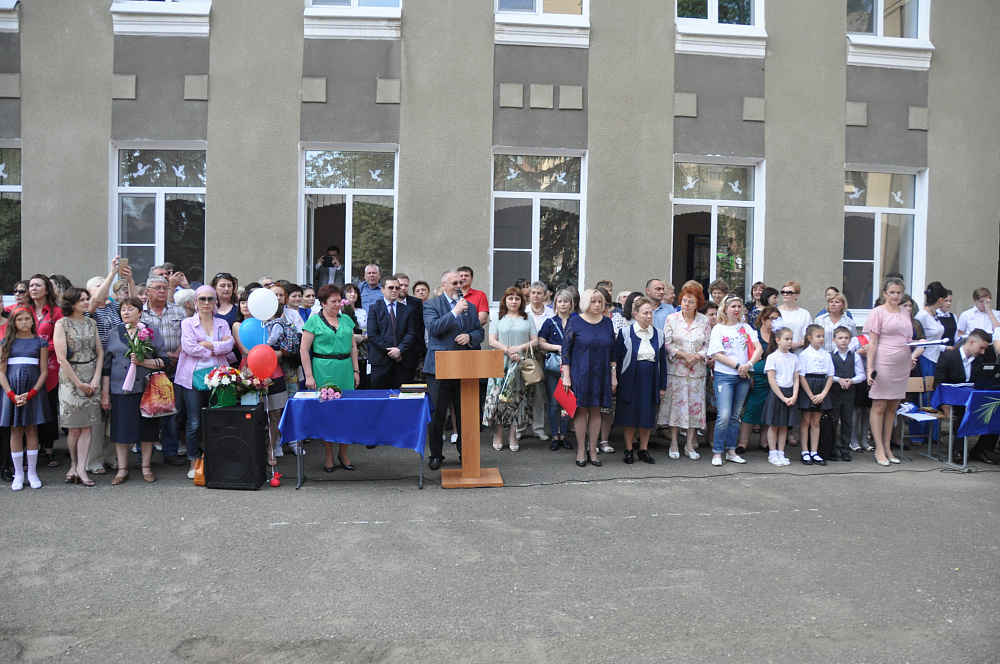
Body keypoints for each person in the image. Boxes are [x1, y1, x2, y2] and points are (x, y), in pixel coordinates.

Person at [422, 271, 485, 470]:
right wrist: (454, 312)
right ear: (444, 285)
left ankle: (465, 453)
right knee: (438, 414)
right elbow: (434, 329)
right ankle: (436, 454)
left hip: (464, 366)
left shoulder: (470, 307)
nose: (459, 286)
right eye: (454, 283)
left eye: (460, 282)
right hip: (439, 367)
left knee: (464, 412)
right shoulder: (431, 305)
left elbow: (479, 331)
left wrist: (470, 337)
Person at [101, 297, 168, 485]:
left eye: (130, 309)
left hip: (145, 389)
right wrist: (105, 394)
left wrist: (143, 362)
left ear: (140, 312)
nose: (126, 312)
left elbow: (164, 360)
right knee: (121, 431)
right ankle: (122, 469)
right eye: (123, 309)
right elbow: (107, 366)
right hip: (120, 389)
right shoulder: (114, 333)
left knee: (147, 430)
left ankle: (146, 467)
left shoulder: (151, 332)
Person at [175, 286, 235, 479]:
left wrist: (206, 344)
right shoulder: (187, 323)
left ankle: (216, 458)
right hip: (193, 377)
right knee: (194, 422)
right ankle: (194, 461)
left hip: (218, 377)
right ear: (195, 302)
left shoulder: (222, 323)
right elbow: (189, 347)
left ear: (215, 301)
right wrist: (216, 348)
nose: (206, 302)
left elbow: (229, 345)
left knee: (217, 419)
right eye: (202, 299)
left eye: (210, 298)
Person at [301, 284, 360, 472]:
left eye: (339, 301)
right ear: (323, 303)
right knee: (327, 414)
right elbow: (304, 349)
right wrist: (309, 376)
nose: (337, 305)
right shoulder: (313, 322)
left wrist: (356, 371)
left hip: (345, 369)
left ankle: (343, 453)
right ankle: (328, 454)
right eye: (333, 301)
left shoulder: (347, 320)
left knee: (346, 413)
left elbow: (353, 346)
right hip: (323, 370)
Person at [52, 288, 104, 487]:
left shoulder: (92, 323)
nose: (86, 302)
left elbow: (100, 352)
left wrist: (96, 378)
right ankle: (74, 465)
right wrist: (78, 383)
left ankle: (82, 468)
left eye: (86, 299)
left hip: (91, 375)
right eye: (81, 299)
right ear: (71, 303)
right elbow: (61, 358)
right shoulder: (61, 324)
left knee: (88, 427)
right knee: (74, 428)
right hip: (70, 379)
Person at [561, 288, 615, 468]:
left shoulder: (607, 323)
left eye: (600, 301)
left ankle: (593, 451)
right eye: (593, 301)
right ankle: (581, 450)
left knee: (596, 411)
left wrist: (613, 375)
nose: (598, 305)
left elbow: (613, 351)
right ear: (586, 302)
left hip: (601, 373)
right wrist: (566, 377)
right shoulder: (575, 322)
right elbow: (566, 351)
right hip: (580, 373)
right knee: (581, 411)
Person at [706, 294, 761, 466]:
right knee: (723, 415)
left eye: (739, 306)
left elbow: (759, 348)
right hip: (725, 376)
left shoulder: (746, 328)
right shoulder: (719, 329)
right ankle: (717, 452)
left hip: (743, 377)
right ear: (725, 309)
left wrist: (748, 365)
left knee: (735, 415)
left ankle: (731, 450)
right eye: (733, 306)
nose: (736, 310)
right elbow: (717, 354)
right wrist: (738, 366)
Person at [0, 307, 52, 489]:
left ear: (32, 321)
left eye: (27, 319)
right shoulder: (6, 342)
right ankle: (18, 474)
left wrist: (32, 393)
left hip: (32, 392)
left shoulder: (40, 343)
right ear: (13, 323)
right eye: (19, 319)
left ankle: (32, 472)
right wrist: (11, 394)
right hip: (12, 392)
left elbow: (44, 372)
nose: (24, 322)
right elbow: (1, 372)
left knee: (31, 430)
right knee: (15, 430)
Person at [613, 296, 667, 464]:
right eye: (645, 313)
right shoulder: (625, 333)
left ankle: (643, 450)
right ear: (636, 314)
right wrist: (615, 379)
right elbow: (616, 358)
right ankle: (629, 449)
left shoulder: (659, 334)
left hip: (650, 380)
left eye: (650, 313)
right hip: (630, 378)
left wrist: (662, 386)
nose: (649, 316)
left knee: (646, 415)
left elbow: (663, 363)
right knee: (629, 416)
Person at [659, 285, 711, 460]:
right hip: (677, 371)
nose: (686, 304)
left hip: (697, 372)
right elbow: (666, 344)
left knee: (694, 408)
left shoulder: (704, 321)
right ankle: (674, 443)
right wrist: (684, 355)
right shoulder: (672, 318)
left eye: (691, 302)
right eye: (684, 300)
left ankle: (689, 444)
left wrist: (696, 356)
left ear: (698, 304)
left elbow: (708, 345)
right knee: (676, 407)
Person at [863, 277, 912, 466]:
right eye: (892, 292)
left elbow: (907, 338)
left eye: (899, 292)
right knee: (880, 405)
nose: (895, 296)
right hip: (883, 361)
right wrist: (870, 368)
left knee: (893, 407)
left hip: (902, 363)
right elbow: (873, 342)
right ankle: (879, 448)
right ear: (884, 293)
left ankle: (887, 446)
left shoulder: (905, 312)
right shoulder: (877, 312)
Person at [934, 329, 999, 465]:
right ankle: (958, 450)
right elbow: (939, 383)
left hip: (972, 399)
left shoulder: (979, 360)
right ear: (971, 342)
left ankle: (980, 449)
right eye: (981, 348)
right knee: (964, 411)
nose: (983, 352)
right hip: (951, 401)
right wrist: (944, 405)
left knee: (995, 410)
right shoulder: (948, 357)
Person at [484, 287, 537, 452]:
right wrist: (508, 350)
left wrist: (518, 349)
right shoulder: (498, 317)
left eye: (517, 298)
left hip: (519, 363)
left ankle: (513, 434)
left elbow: (535, 341)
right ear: (505, 300)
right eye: (510, 298)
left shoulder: (527, 318)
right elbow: (492, 340)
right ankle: (498, 433)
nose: (513, 301)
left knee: (516, 399)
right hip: (500, 363)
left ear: (522, 301)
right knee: (499, 400)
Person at [141, 276, 187, 465]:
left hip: (175, 369)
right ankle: (144, 456)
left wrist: (174, 355)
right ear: (147, 291)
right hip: (148, 370)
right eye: (157, 288)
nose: (161, 291)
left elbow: (187, 336)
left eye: (164, 288)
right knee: (147, 412)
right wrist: (163, 357)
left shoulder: (178, 311)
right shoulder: (140, 313)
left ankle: (170, 452)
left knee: (172, 413)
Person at [27, 274, 62, 468]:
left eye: (37, 285)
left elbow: (60, 340)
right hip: (26, 366)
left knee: (48, 407)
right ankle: (30, 449)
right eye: (31, 285)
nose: (33, 288)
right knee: (28, 408)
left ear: (47, 289)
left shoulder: (56, 312)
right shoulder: (23, 310)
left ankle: (49, 449)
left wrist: (38, 347)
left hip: (50, 366)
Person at [738, 305, 780, 455]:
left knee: (769, 409)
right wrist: (749, 374)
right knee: (751, 408)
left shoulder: (778, 335)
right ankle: (743, 443)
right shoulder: (754, 334)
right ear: (763, 319)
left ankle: (764, 442)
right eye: (771, 318)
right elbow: (747, 354)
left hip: (774, 377)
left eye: (777, 319)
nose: (774, 322)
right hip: (757, 376)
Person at [366, 276, 418, 389]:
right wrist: (391, 351)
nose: (394, 290)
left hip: (402, 362)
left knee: (402, 396)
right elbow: (373, 334)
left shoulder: (407, 310)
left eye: (397, 288)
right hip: (381, 361)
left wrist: (399, 349)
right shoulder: (374, 309)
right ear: (382, 289)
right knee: (379, 396)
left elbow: (411, 333)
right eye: (390, 288)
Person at [538, 289, 574, 451]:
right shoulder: (550, 322)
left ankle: (564, 436)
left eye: (566, 301)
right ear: (555, 304)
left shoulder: (577, 321)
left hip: (572, 366)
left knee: (567, 401)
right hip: (553, 366)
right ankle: (555, 436)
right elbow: (540, 343)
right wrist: (558, 347)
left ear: (571, 304)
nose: (563, 304)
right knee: (553, 402)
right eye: (560, 301)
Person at [761, 323, 799, 467]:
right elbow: (771, 380)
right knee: (774, 425)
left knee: (784, 426)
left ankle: (781, 452)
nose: (790, 342)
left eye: (791, 339)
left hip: (790, 393)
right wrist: (782, 397)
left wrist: (794, 395)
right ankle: (772, 453)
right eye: (787, 339)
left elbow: (796, 379)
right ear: (777, 340)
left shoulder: (794, 358)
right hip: (777, 393)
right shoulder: (772, 357)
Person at [797, 324, 835, 465]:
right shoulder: (804, 354)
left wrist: (823, 394)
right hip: (809, 387)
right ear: (809, 338)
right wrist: (811, 395)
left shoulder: (827, 355)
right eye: (818, 336)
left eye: (823, 336)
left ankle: (814, 451)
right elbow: (801, 376)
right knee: (806, 421)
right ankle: (805, 451)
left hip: (821, 388)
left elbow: (830, 376)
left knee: (816, 421)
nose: (821, 339)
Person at [829, 325, 864, 462]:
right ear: (834, 340)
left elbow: (861, 374)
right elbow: (827, 374)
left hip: (849, 393)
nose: (843, 340)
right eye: (840, 338)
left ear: (850, 340)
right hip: (834, 392)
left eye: (846, 338)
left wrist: (852, 380)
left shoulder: (855, 356)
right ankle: (832, 449)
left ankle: (845, 450)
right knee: (832, 420)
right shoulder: (830, 356)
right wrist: (838, 379)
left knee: (847, 421)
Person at [525, 281, 554, 441]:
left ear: (545, 295)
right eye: (533, 293)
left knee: (539, 394)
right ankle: (520, 429)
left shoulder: (551, 314)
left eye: (539, 293)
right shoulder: (523, 312)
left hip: (543, 356)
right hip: (524, 355)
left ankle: (539, 428)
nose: (535, 296)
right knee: (523, 393)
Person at [394, 273, 425, 382]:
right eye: (400, 285)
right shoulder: (384, 303)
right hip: (390, 352)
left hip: (411, 352)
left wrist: (419, 348)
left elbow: (421, 326)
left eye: (406, 285)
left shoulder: (416, 303)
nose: (403, 288)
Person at [777, 281, 811, 352]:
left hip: (799, 351)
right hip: (780, 351)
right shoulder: (776, 312)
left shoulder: (804, 313)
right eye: (783, 292)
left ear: (797, 295)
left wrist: (798, 344)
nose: (785, 294)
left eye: (789, 292)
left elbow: (810, 334)